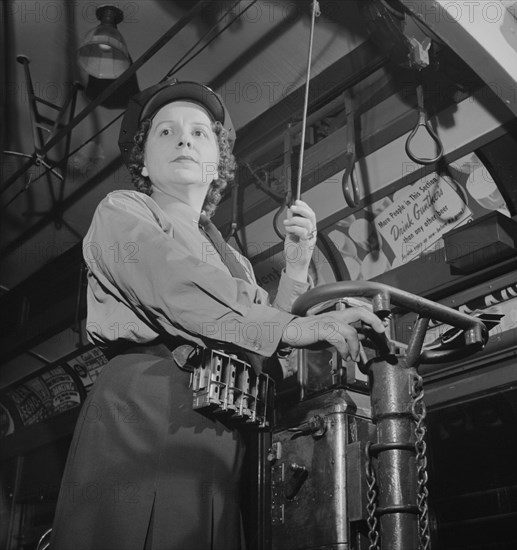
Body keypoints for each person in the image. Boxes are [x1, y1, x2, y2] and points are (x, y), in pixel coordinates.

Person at [49, 79, 385, 550]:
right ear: (143, 162)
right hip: (145, 417)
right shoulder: (122, 211)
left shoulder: (233, 261)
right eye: (165, 133)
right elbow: (172, 282)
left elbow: (262, 341)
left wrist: (295, 267)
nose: (184, 139)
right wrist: (290, 325)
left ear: (217, 166)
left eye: (199, 133)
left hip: (223, 435)